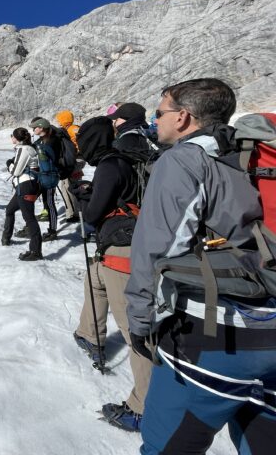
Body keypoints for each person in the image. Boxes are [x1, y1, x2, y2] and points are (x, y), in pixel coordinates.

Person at [125, 78, 276, 453]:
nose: (154, 121)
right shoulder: (253, 154)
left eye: (159, 113)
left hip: (216, 336)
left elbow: (156, 250)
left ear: (183, 117)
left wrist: (141, 323)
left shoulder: (183, 161)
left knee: (168, 445)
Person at [70, 117, 153, 432]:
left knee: (134, 330)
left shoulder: (109, 164)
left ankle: (143, 408)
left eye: (82, 141)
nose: (80, 147)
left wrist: (83, 198)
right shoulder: (121, 160)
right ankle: (90, 334)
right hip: (121, 243)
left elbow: (92, 214)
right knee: (95, 279)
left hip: (123, 248)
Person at [3, 128, 42, 260]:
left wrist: (9, 164)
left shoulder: (23, 149)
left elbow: (15, 171)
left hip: (25, 186)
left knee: (29, 218)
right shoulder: (29, 148)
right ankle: (6, 239)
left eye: (12, 136)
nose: (11, 138)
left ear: (16, 138)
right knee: (9, 209)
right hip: (26, 185)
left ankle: (36, 251)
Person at [29, 118, 61, 241]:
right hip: (43, 175)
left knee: (50, 203)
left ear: (41, 127)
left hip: (50, 177)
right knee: (43, 202)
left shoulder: (52, 141)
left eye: (35, 128)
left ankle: (53, 231)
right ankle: (30, 227)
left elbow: (52, 159)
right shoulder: (41, 140)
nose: (33, 130)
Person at [55, 109, 85, 223]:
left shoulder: (71, 130)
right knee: (71, 184)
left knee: (68, 185)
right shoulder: (75, 128)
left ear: (63, 120)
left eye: (60, 120)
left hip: (74, 160)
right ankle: (75, 210)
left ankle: (73, 213)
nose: (58, 122)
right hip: (78, 159)